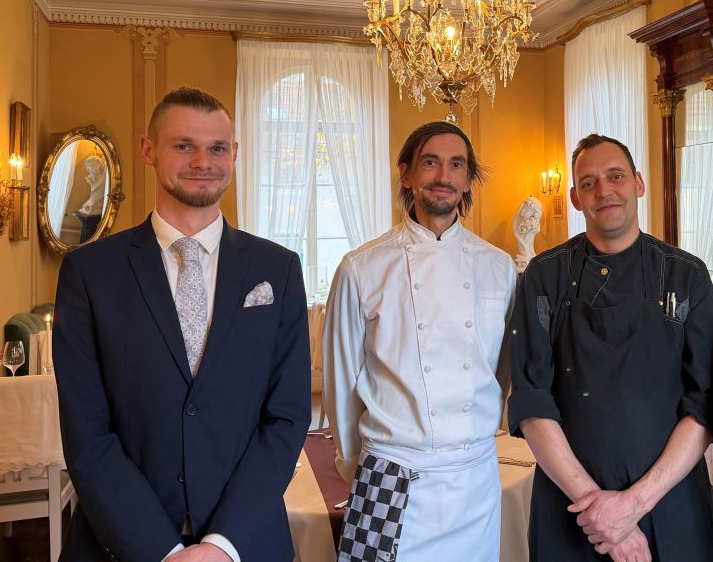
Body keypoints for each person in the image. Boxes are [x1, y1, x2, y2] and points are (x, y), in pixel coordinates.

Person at [53, 88, 311, 562]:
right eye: (183, 145)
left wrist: (220, 546)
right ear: (148, 150)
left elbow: (287, 418)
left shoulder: (278, 269)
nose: (202, 162)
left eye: (217, 148)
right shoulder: (90, 273)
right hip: (122, 546)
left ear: (234, 154)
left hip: (246, 544)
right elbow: (87, 435)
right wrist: (163, 550)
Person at [508, 133, 713, 562]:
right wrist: (598, 509)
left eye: (616, 176)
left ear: (638, 183)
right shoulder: (543, 275)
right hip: (572, 506)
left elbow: (706, 403)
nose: (604, 191)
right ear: (575, 198)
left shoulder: (687, 275)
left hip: (670, 498)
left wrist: (632, 505)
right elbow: (532, 400)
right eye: (588, 183)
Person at [323, 120, 516, 562]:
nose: (443, 176)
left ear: (468, 180)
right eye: (430, 163)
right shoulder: (361, 267)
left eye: (456, 165)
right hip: (389, 472)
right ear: (406, 174)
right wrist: (357, 464)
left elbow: (500, 370)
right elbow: (340, 383)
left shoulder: (499, 267)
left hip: (474, 479)